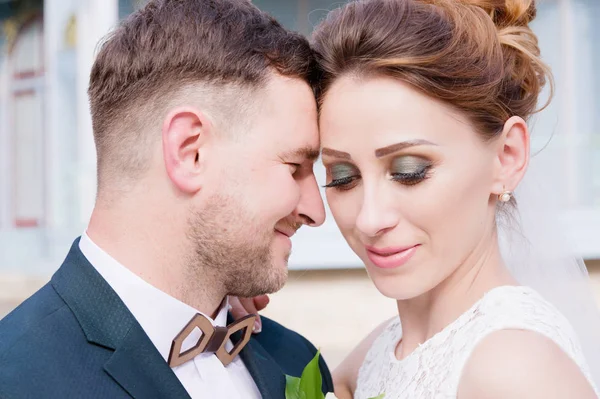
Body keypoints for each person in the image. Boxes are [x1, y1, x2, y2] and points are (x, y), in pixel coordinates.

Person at [236, 0, 600, 397]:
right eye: (343, 177)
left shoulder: (514, 369)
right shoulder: (380, 352)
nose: (370, 219)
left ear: (506, 157)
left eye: (409, 171)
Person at [0, 0, 333, 398]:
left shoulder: (295, 360)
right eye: (295, 165)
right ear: (189, 151)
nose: (315, 212)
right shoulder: (16, 376)